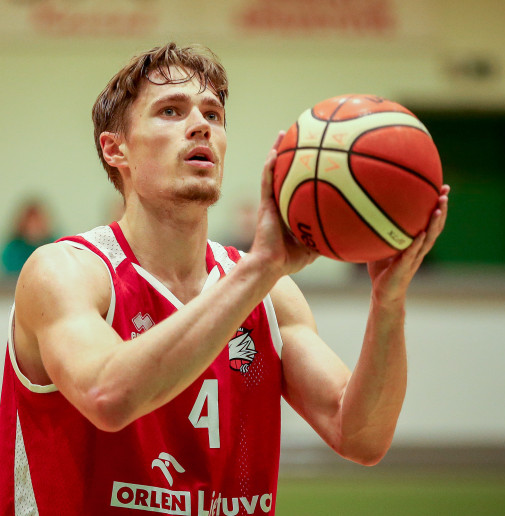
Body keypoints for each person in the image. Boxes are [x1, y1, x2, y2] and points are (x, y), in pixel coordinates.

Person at [0, 42, 449, 515]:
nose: (201, 125)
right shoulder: (65, 271)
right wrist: (261, 268)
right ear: (116, 149)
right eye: (171, 111)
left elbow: (360, 436)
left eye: (213, 115)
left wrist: (388, 302)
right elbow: (107, 395)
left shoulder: (273, 296)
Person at [1, 199, 57, 276]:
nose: (34, 226)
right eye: (30, 222)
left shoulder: (54, 246)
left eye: (37, 222)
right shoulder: (13, 248)